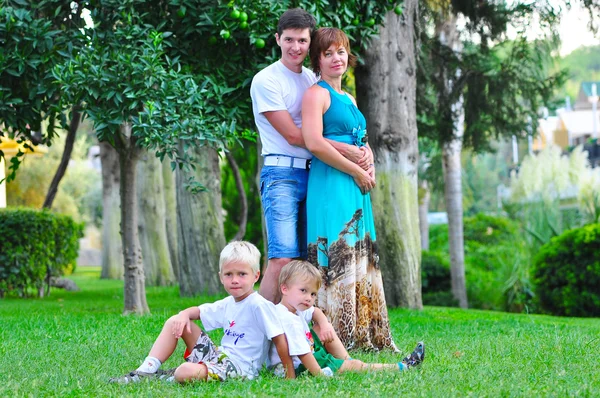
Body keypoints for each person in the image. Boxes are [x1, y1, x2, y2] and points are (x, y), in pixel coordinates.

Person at [250, 8, 373, 304]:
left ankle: (295, 334)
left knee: (309, 262)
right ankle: (252, 332)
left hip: (317, 174)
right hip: (282, 175)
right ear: (277, 39)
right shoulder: (266, 80)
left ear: (310, 45)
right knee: (282, 259)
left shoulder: (312, 79)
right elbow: (295, 136)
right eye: (289, 39)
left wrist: (363, 149)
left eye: (302, 41)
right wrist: (349, 152)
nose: (296, 47)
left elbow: (336, 125)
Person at [302, 27, 394, 351]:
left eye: (340, 51)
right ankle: (337, 335)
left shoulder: (349, 98)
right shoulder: (317, 94)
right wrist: (356, 167)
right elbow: (314, 142)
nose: (336, 58)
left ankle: (362, 331)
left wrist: (367, 155)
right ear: (318, 59)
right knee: (339, 249)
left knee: (358, 251)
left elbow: (360, 138)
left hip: (355, 184)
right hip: (332, 181)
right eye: (328, 54)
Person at [109, 241, 295, 383]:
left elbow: (279, 339)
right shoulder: (228, 303)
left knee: (183, 372)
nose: (235, 280)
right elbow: (197, 311)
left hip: (239, 369)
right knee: (176, 320)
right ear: (221, 277)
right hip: (220, 356)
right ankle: (146, 370)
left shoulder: (259, 305)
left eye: (242, 274)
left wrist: (290, 375)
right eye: (229, 274)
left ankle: (174, 375)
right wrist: (182, 315)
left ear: (256, 276)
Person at [268, 260, 425, 377]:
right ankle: (403, 366)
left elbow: (314, 311)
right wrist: (319, 375)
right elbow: (303, 354)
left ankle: (346, 359)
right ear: (284, 288)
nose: (308, 298)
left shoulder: (292, 307)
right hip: (298, 367)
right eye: (303, 290)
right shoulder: (289, 321)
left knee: (321, 329)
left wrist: (325, 324)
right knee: (357, 365)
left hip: (300, 355)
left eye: (313, 294)